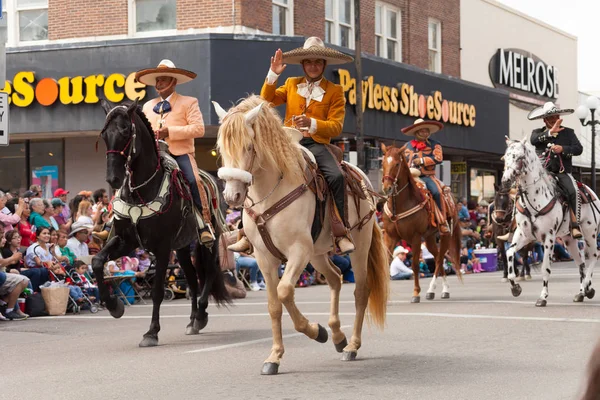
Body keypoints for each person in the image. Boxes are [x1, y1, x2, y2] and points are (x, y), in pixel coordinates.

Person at [229, 36, 355, 255]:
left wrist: (312, 124)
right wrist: (273, 74)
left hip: (316, 144)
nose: (313, 65)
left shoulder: (335, 91)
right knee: (254, 170)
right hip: (286, 142)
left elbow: (336, 127)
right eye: (308, 61)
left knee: (337, 177)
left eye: (317, 62)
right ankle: (245, 233)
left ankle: (340, 232)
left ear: (324, 64)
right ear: (303, 64)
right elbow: (265, 100)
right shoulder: (291, 84)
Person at [135, 59, 214, 246]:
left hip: (180, 154)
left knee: (194, 180)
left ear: (173, 82)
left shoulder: (189, 102)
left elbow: (199, 129)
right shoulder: (147, 106)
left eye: (163, 80)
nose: (158, 84)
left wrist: (169, 132)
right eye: (157, 80)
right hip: (154, 157)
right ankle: (114, 224)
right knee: (130, 176)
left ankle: (204, 225)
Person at [528, 102, 583, 239]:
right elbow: (533, 141)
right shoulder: (537, 133)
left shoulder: (569, 133)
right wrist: (550, 132)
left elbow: (578, 149)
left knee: (573, 191)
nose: (554, 119)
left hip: (562, 172)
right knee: (520, 190)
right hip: (543, 174)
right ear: (544, 120)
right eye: (550, 117)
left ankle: (574, 224)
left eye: (556, 116)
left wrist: (563, 149)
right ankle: (514, 225)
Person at [401, 118, 449, 235]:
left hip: (427, 176)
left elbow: (438, 158)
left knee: (436, 192)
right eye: (422, 131)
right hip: (410, 177)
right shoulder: (407, 146)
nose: (425, 133)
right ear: (416, 132)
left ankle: (442, 221)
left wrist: (422, 160)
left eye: (427, 131)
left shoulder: (435, 145)